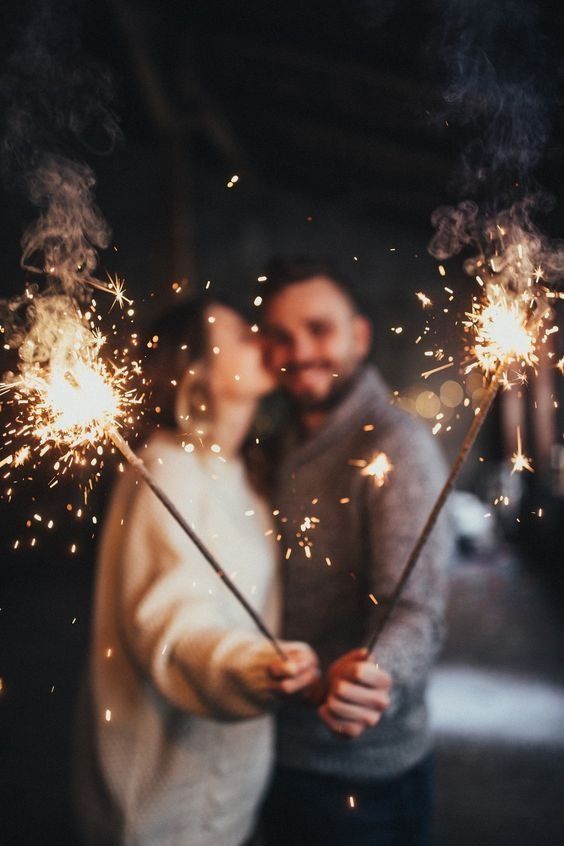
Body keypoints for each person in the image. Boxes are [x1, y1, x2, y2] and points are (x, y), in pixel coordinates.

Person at [77, 297, 319, 846]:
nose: (261, 338)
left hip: (228, 787)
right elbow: (172, 623)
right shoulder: (169, 469)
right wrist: (258, 667)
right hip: (167, 803)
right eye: (239, 333)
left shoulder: (240, 475)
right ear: (195, 372)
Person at [258, 258, 452, 846]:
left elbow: (417, 610)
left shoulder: (397, 445)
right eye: (282, 336)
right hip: (273, 750)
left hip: (363, 776)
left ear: (359, 336)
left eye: (319, 329)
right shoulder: (277, 440)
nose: (301, 350)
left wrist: (376, 673)